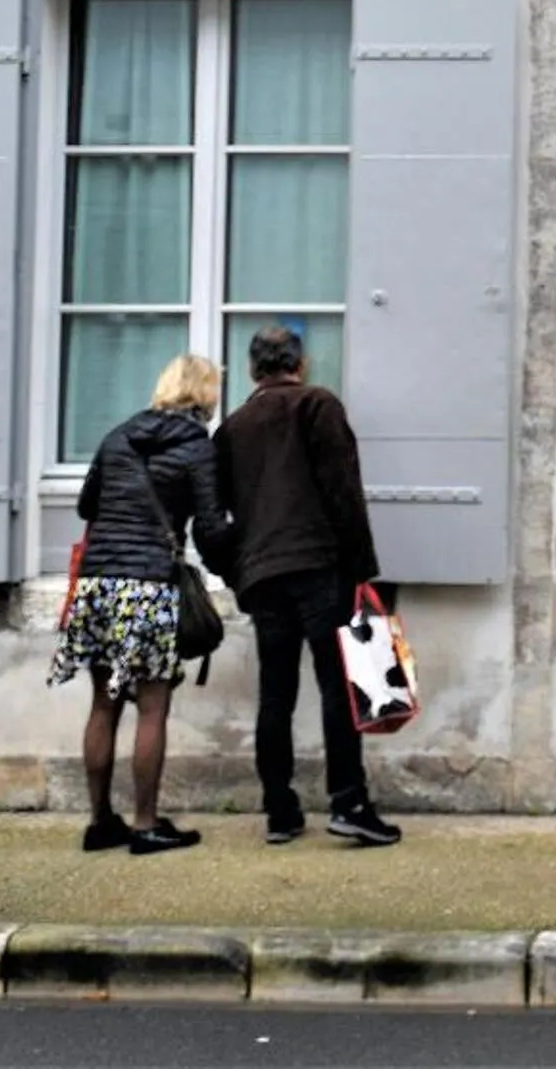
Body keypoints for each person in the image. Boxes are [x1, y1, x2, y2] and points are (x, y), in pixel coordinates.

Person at [212, 324, 401, 847]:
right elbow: (344, 493)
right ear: (301, 363)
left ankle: (279, 810)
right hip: (321, 567)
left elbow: (214, 518)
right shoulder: (318, 405)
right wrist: (364, 571)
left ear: (253, 370)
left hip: (264, 575)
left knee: (276, 694)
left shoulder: (232, 427)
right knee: (338, 689)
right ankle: (349, 802)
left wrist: (237, 571)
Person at [48, 354, 236, 856]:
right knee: (153, 707)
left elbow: (88, 505)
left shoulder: (118, 436)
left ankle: (99, 822)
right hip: (149, 583)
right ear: (205, 395)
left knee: (104, 703)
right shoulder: (197, 446)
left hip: (97, 584)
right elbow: (212, 527)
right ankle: (147, 824)